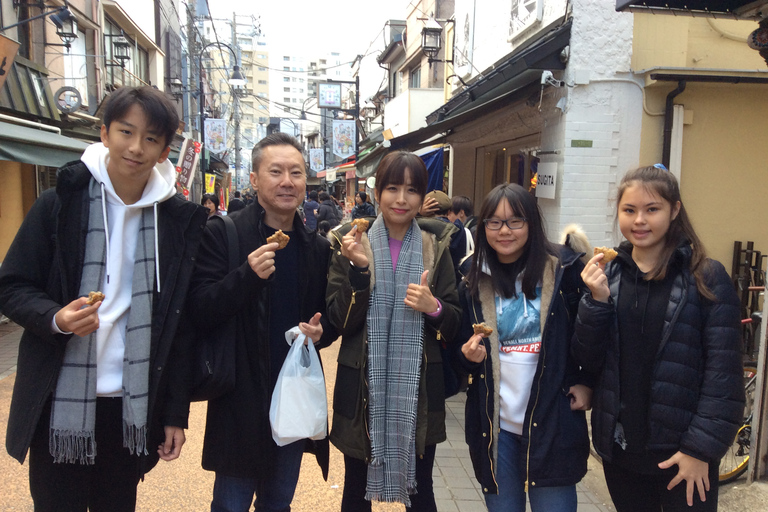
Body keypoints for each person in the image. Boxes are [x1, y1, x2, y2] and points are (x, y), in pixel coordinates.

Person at [0, 85, 208, 512]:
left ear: (165, 150)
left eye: (151, 138)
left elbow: (179, 324)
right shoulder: (59, 204)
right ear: (104, 133)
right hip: (59, 399)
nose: (135, 147)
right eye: (125, 132)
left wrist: (174, 414)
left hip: (130, 408)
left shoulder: (174, 223)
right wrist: (56, 318)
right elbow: (12, 285)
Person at [573, 165, 743, 512]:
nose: (640, 220)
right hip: (622, 452)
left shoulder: (706, 277)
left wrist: (700, 451)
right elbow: (587, 360)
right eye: (629, 210)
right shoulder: (610, 275)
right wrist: (596, 302)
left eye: (652, 209)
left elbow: (723, 377)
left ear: (674, 210)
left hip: (684, 457)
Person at [186, 133, 337, 512]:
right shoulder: (225, 233)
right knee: (230, 505)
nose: (287, 181)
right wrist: (247, 276)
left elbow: (326, 318)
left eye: (296, 173)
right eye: (275, 171)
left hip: (292, 396)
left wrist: (322, 333)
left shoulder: (315, 247)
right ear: (254, 180)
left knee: (278, 503)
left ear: (306, 181)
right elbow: (199, 309)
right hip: (240, 397)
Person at [326, 151, 461, 511]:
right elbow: (340, 320)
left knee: (421, 493)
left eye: (412, 190)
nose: (401, 199)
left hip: (419, 393)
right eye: (392, 188)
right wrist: (358, 271)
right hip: (361, 394)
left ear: (423, 197)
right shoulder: (352, 241)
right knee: (355, 493)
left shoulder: (436, 246)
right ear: (377, 192)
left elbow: (455, 320)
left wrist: (433, 306)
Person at [456, 183, 593, 512]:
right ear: (483, 225)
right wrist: (469, 359)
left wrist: (588, 382)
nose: (504, 231)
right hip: (497, 429)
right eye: (494, 222)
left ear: (531, 222)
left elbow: (589, 339)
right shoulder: (472, 277)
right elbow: (459, 357)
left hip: (553, 424)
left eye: (515, 221)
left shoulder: (564, 272)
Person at [421, 190, 468, 283]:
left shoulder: (420, 228)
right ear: (449, 212)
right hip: (453, 287)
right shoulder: (459, 230)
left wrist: (418, 214)